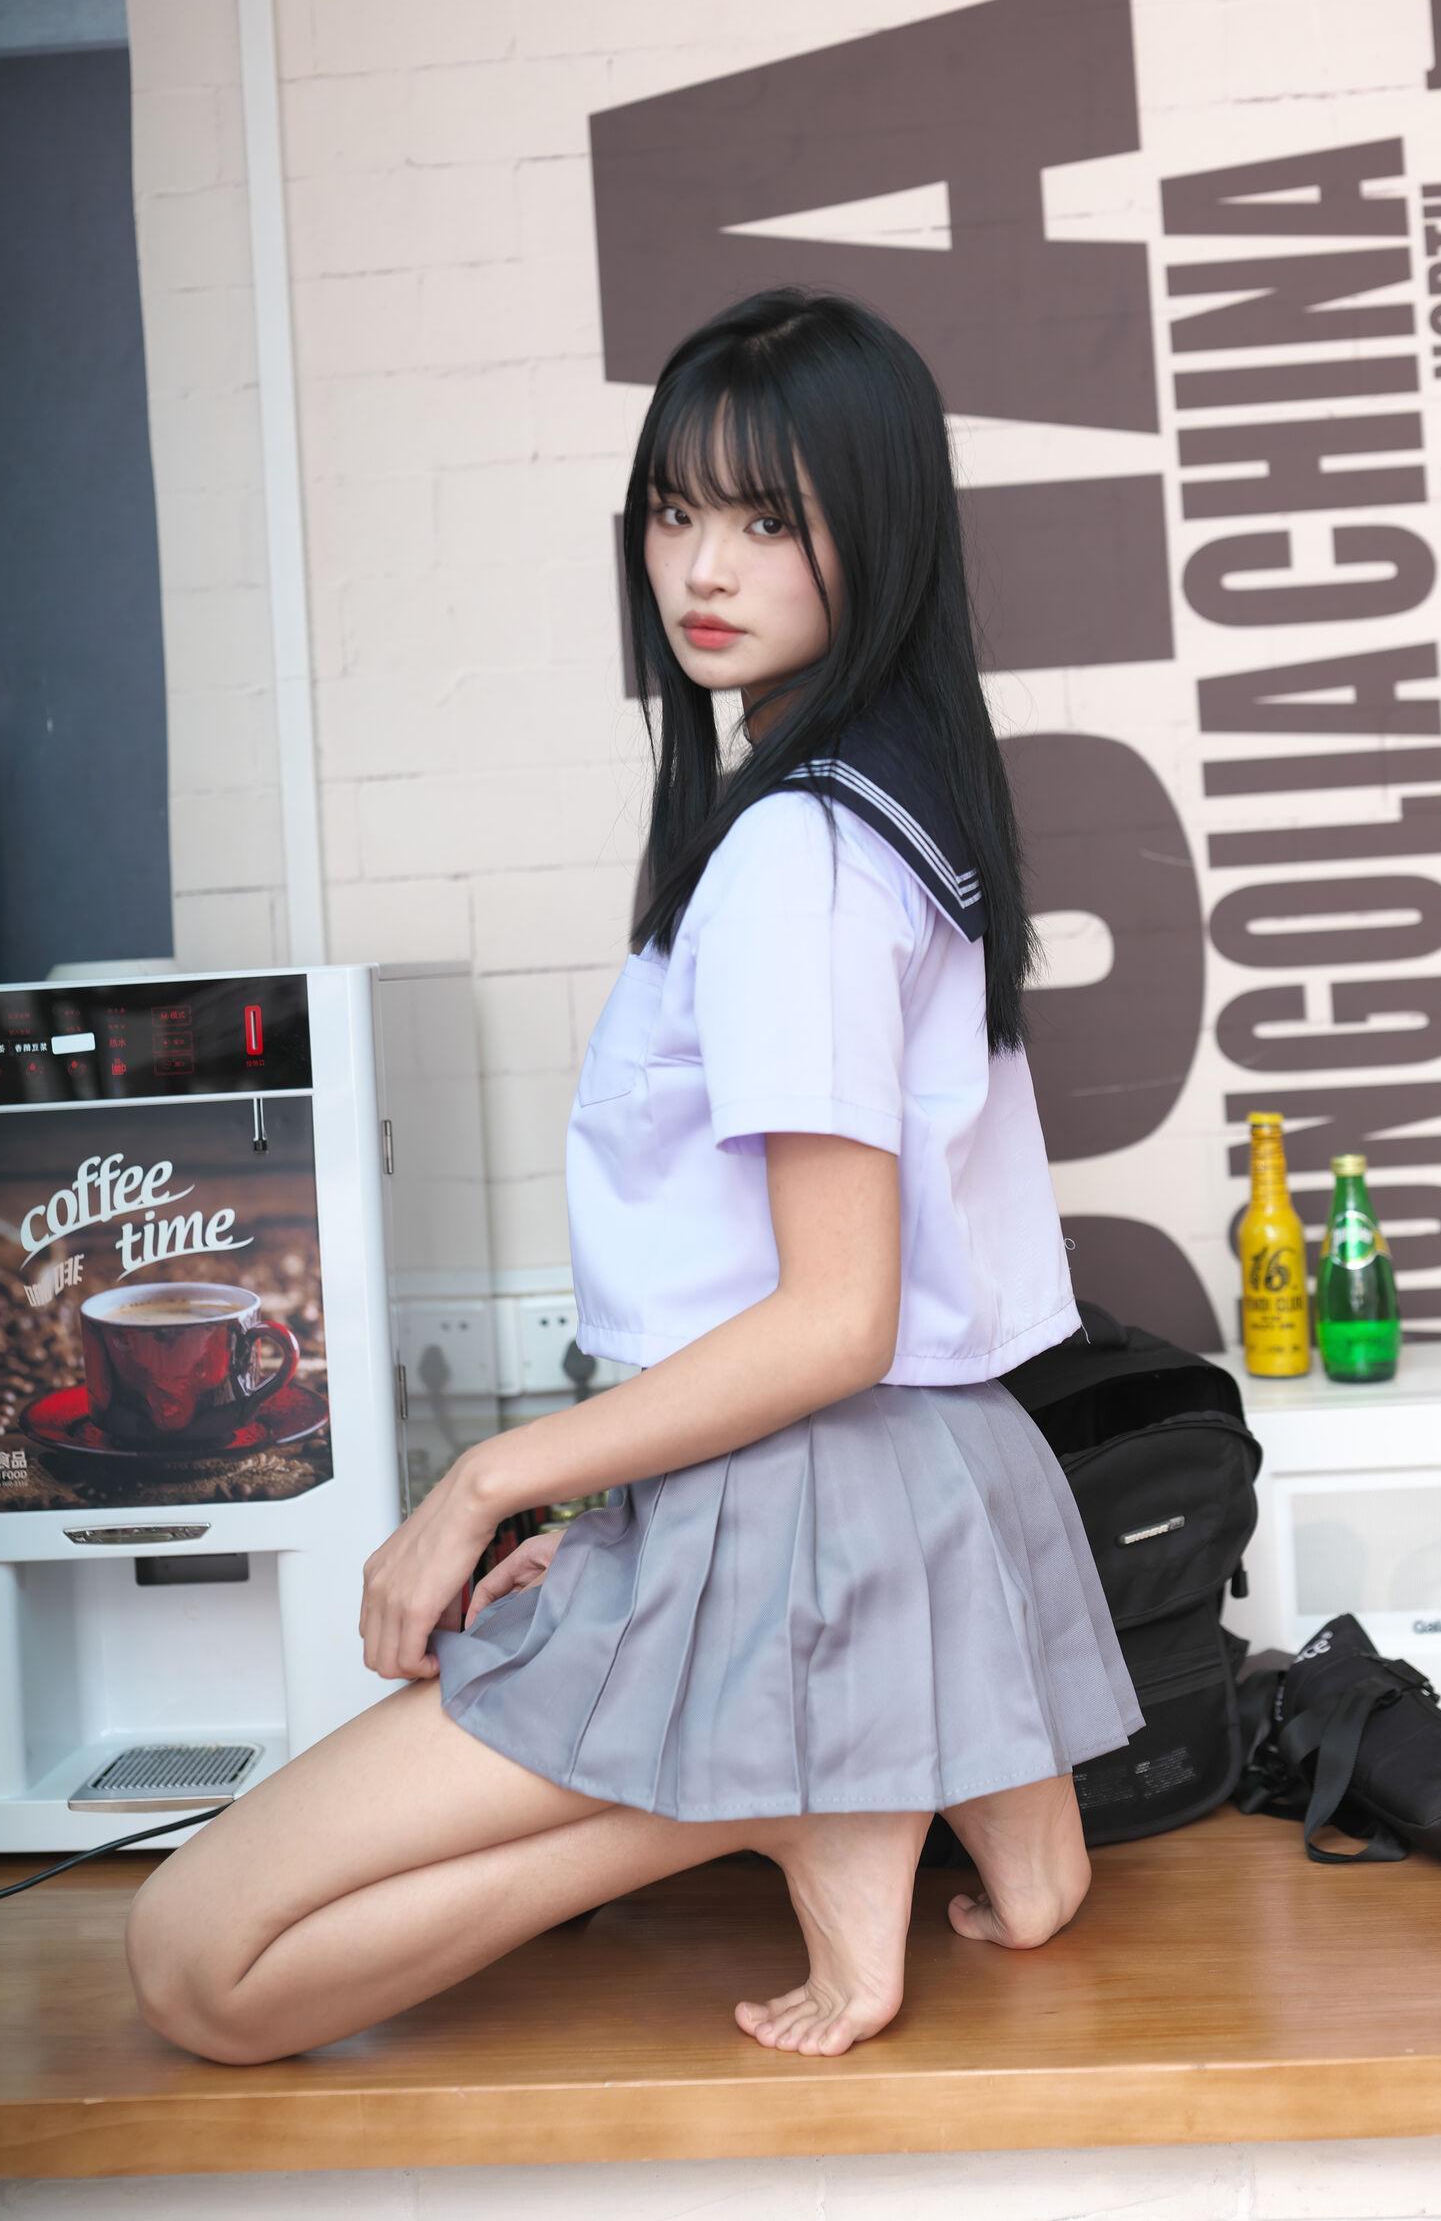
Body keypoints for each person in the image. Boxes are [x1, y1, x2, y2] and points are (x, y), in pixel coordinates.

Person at [124, 285, 1144, 2069]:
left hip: (805, 1510)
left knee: (197, 1965)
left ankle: (782, 1789)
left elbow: (831, 1322)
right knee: (220, 1950)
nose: (704, 567)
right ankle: (850, 1777)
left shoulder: (798, 857)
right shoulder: (901, 816)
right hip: (924, 1487)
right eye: (675, 510)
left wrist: (480, 1487)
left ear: (879, 532)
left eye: (767, 518)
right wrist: (601, 1524)